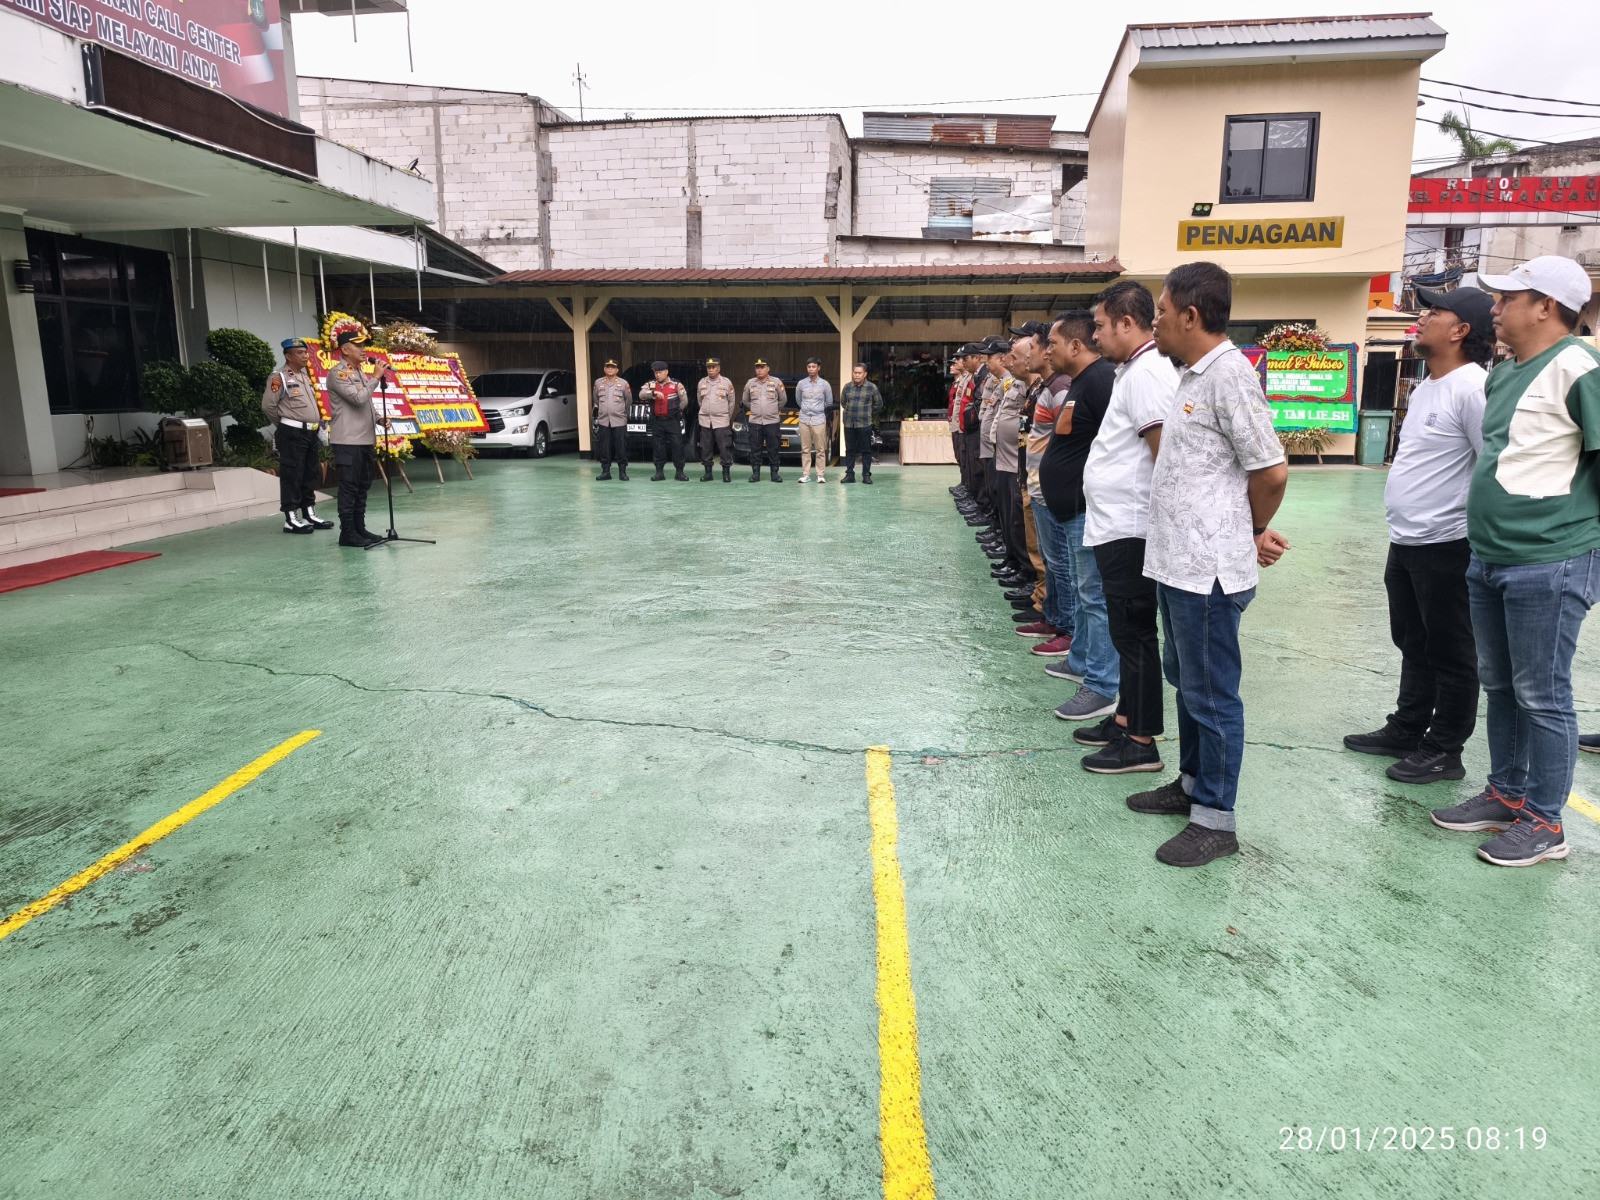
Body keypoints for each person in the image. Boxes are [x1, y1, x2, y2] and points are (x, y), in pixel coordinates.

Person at [1430, 255, 1600, 867]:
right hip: (1492, 557)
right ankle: (1506, 793)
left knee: (1543, 694)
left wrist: (1586, 547)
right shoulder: (1505, 373)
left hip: (1549, 560)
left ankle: (1547, 823)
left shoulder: (1581, 368)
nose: (1495, 309)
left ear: (1546, 306)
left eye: (1508, 298)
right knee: (1500, 685)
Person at [1127, 262, 1289, 868]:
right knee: (1188, 683)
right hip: (1177, 564)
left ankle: (1217, 820)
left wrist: (1248, 533)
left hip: (1209, 572)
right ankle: (1193, 786)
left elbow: (1270, 470)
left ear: (1191, 316)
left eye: (1162, 313)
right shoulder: (1193, 375)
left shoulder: (1230, 377)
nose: (1157, 323)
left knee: (1213, 694)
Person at [1343, 287, 1492, 783]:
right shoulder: (1430, 384)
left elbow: (1489, 466)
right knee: (1412, 640)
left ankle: (1446, 748)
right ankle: (1408, 728)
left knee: (1450, 648)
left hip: (1448, 542)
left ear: (1461, 331)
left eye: (1434, 312)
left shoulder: (1473, 389)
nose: (1422, 317)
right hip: (1407, 539)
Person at [1077, 281, 1178, 774]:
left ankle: (1140, 740)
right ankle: (1124, 719)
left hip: (1132, 526)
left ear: (1125, 322)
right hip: (1116, 524)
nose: (1096, 335)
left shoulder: (1148, 373)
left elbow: (1164, 453)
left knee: (1134, 634)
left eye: (1099, 325)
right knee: (1124, 631)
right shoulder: (1132, 371)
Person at [1040, 310, 1120, 722]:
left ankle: (1103, 685)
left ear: (1075, 345)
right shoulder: (1080, 383)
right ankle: (1081, 660)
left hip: (1088, 511)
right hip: (1070, 509)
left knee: (1095, 597)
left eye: (1052, 343)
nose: (1047, 349)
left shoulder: (1103, 380)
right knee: (1086, 593)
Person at [1016, 338, 1076, 650]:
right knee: (1052, 560)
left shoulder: (1061, 387)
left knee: (1060, 562)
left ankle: (1065, 628)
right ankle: (1052, 615)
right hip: (1039, 484)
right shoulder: (1048, 386)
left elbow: (1062, 438)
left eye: (1049, 345)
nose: (1022, 360)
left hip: (1050, 487)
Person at [325, 328, 391, 548]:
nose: (364, 350)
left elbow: (368, 404)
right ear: (345, 349)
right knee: (349, 487)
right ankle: (347, 533)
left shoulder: (361, 373)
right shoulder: (338, 374)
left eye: (364, 345)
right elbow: (358, 399)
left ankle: (359, 528)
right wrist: (375, 378)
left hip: (364, 440)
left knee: (363, 485)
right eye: (359, 346)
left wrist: (380, 419)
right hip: (347, 441)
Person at [261, 337, 331, 534]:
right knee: (292, 475)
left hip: (310, 432)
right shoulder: (279, 377)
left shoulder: (305, 377)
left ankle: (309, 513)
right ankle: (291, 518)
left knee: (310, 473)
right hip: (292, 433)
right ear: (288, 356)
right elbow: (268, 406)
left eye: (305, 352)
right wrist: (286, 424)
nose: (305, 356)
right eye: (300, 353)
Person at [639, 360, 689, 481]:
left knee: (677, 446)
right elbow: (641, 394)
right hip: (657, 421)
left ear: (666, 372)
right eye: (656, 373)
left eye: (660, 372)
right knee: (658, 447)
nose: (657, 375)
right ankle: (659, 472)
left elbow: (684, 401)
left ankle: (679, 472)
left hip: (672, 421)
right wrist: (653, 393)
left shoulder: (676, 384)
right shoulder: (651, 384)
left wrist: (676, 411)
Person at [742, 358, 786, 482]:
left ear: (768, 369)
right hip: (755, 421)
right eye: (757, 367)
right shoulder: (750, 383)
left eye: (762, 367)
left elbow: (783, 400)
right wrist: (756, 408)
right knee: (755, 449)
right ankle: (755, 474)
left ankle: (774, 474)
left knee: (774, 448)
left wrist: (771, 409)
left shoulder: (776, 382)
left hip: (772, 421)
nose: (759, 370)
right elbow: (745, 400)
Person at [839, 363, 884, 483]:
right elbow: (843, 402)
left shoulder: (871, 387)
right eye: (855, 372)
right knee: (850, 450)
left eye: (859, 373)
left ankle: (866, 475)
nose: (857, 375)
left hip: (865, 423)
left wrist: (868, 412)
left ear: (865, 374)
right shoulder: (847, 387)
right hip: (849, 423)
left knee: (866, 450)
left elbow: (879, 403)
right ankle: (849, 475)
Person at [696, 358, 737, 482]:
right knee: (706, 447)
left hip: (721, 420)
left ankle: (726, 473)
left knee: (724, 447)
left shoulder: (726, 382)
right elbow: (700, 400)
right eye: (709, 367)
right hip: (705, 420)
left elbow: (731, 402)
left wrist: (725, 416)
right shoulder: (702, 382)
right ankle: (708, 473)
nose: (711, 369)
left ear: (718, 368)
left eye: (713, 367)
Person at [592, 357, 632, 481]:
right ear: (604, 369)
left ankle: (622, 472)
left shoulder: (623, 383)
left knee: (621, 447)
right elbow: (596, 400)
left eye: (613, 367)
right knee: (604, 447)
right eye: (608, 367)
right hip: (604, 420)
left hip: (619, 420)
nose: (610, 369)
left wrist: (620, 412)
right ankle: (606, 471)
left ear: (617, 370)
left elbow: (628, 401)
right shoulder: (598, 383)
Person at [795, 357, 834, 483]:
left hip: (818, 419)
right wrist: (807, 409)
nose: (811, 369)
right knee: (805, 448)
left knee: (820, 448)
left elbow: (829, 402)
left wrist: (818, 409)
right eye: (809, 367)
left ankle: (820, 474)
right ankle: (806, 474)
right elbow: (798, 400)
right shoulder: (801, 383)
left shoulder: (825, 384)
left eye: (813, 367)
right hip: (804, 419)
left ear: (818, 368)